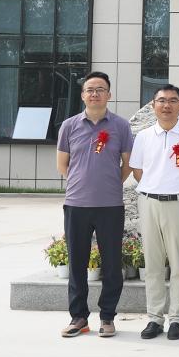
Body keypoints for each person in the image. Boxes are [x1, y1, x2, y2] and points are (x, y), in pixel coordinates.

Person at [55, 71, 134, 338]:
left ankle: (107, 317)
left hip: (110, 205)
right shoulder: (69, 126)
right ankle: (78, 317)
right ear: (82, 95)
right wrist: (83, 183)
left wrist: (109, 183)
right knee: (77, 263)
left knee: (111, 264)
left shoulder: (120, 126)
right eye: (90, 89)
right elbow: (62, 165)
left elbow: (127, 164)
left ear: (109, 95)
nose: (95, 94)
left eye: (100, 89)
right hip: (76, 204)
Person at [130, 84, 179, 341]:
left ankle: (177, 318)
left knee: (178, 263)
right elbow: (137, 171)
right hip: (149, 202)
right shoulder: (144, 136)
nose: (167, 105)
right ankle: (154, 318)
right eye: (162, 100)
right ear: (153, 105)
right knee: (153, 263)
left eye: (173, 100)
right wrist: (155, 188)